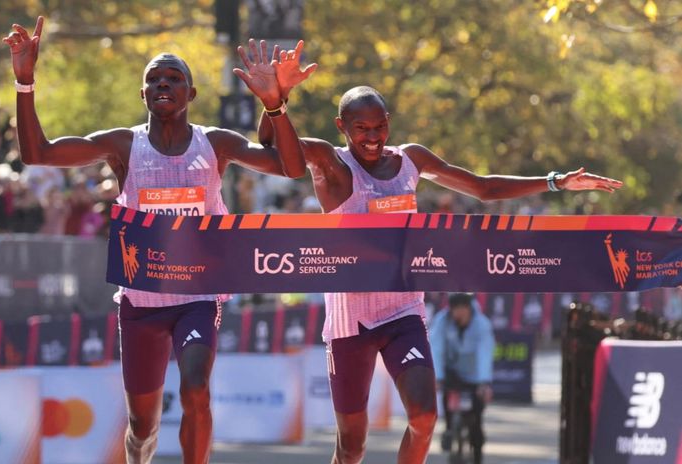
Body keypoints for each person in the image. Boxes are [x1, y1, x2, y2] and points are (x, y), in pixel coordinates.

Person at [259, 42, 622, 464]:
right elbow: (277, 153)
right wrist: (276, 102)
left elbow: (483, 187)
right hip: (349, 320)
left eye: (380, 127)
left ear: (389, 122)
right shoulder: (331, 164)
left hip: (403, 311)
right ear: (342, 126)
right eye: (361, 128)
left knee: (425, 417)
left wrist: (556, 181)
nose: (373, 137)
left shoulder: (410, 160)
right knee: (352, 445)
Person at [3, 19, 305, 464]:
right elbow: (37, 154)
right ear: (142, 94)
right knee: (142, 426)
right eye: (154, 79)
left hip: (198, 295)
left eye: (174, 78)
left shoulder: (215, 144)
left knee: (196, 388)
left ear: (191, 94)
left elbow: (291, 168)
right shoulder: (123, 146)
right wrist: (25, 82)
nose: (164, 83)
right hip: (141, 302)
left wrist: (275, 106)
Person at [429, 293, 495, 464]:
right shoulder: (441, 321)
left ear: (469, 308)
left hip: (474, 375)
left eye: (462, 308)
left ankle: (477, 448)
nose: (458, 313)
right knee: (448, 397)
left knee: (476, 418)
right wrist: (438, 378)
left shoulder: (482, 324)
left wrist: (484, 382)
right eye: (454, 309)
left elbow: (484, 353)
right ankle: (449, 428)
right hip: (452, 372)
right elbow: (436, 349)